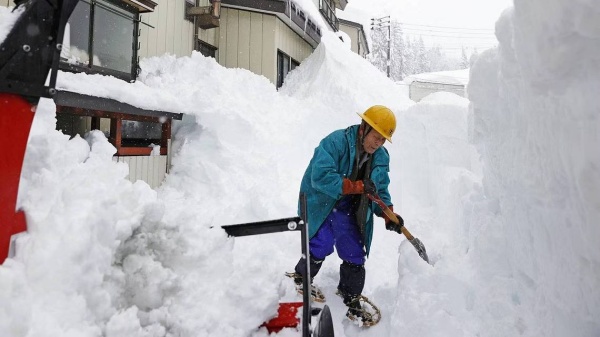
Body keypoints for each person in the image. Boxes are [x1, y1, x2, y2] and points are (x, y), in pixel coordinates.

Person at [290, 105, 405, 325]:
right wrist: (357, 186)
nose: (377, 143)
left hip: (347, 207)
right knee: (321, 242)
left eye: (382, 140)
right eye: (376, 137)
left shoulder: (380, 156)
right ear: (364, 127)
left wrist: (388, 213)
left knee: (354, 250)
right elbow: (320, 176)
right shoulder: (336, 142)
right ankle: (301, 277)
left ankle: (350, 295)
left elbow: (379, 190)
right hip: (321, 201)